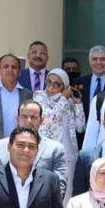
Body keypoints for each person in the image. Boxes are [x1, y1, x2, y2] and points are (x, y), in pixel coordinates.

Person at [0, 100, 68, 195]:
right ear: (17, 119)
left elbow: (59, 186)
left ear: (41, 120)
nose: (29, 121)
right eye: (24, 117)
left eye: (33, 117)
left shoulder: (55, 149)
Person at [34, 69, 86, 198]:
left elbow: (81, 127)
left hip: (68, 153)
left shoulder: (68, 101)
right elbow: (49, 120)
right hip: (46, 153)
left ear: (65, 86)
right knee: (45, 192)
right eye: (49, 82)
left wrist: (78, 104)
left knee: (66, 193)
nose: (51, 87)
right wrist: (63, 98)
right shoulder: (39, 97)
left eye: (56, 84)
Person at [76, 45, 105, 117]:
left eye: (103, 59)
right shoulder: (78, 82)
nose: (98, 62)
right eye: (94, 59)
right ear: (89, 61)